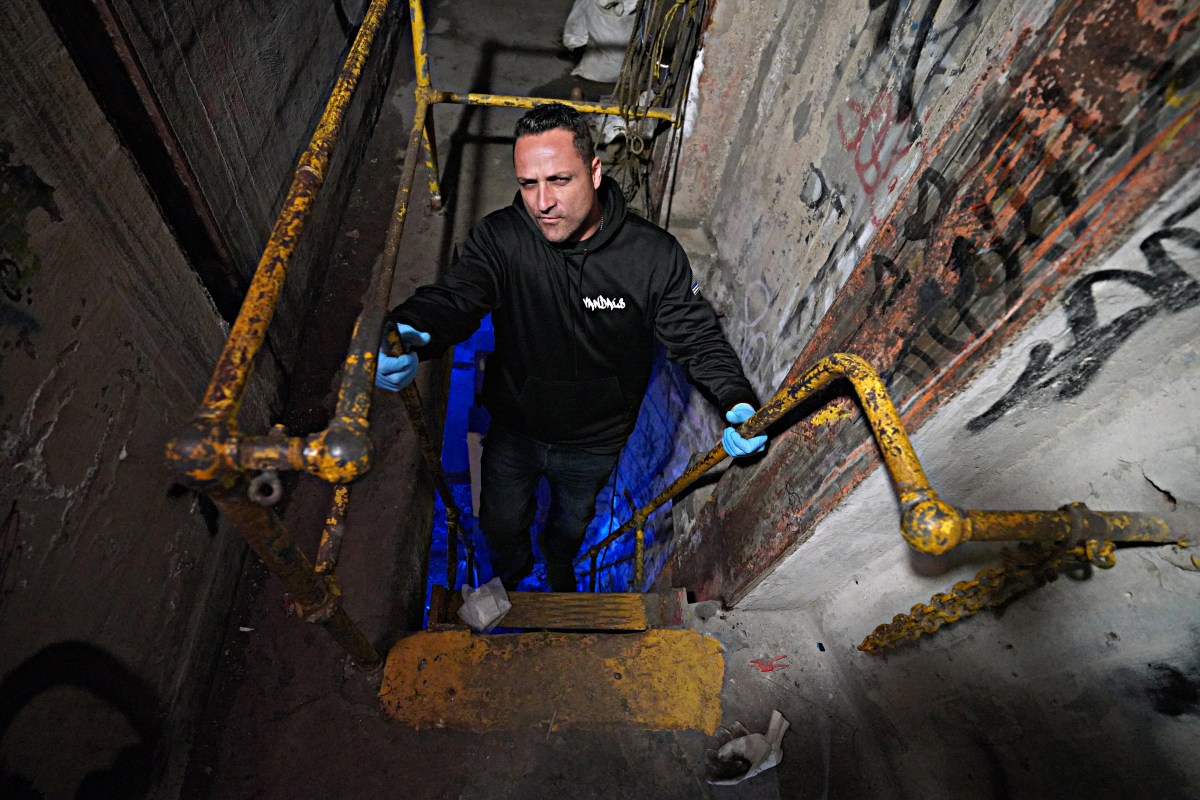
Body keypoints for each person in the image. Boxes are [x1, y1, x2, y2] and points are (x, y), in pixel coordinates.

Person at [375, 103, 767, 592]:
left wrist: (736, 398)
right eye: (528, 183)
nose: (542, 202)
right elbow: (458, 295)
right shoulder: (503, 238)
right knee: (498, 522)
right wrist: (412, 329)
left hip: (595, 441)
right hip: (514, 428)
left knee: (570, 524)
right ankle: (512, 580)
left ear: (595, 172)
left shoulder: (652, 256)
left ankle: (560, 569)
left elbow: (696, 334)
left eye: (560, 180)